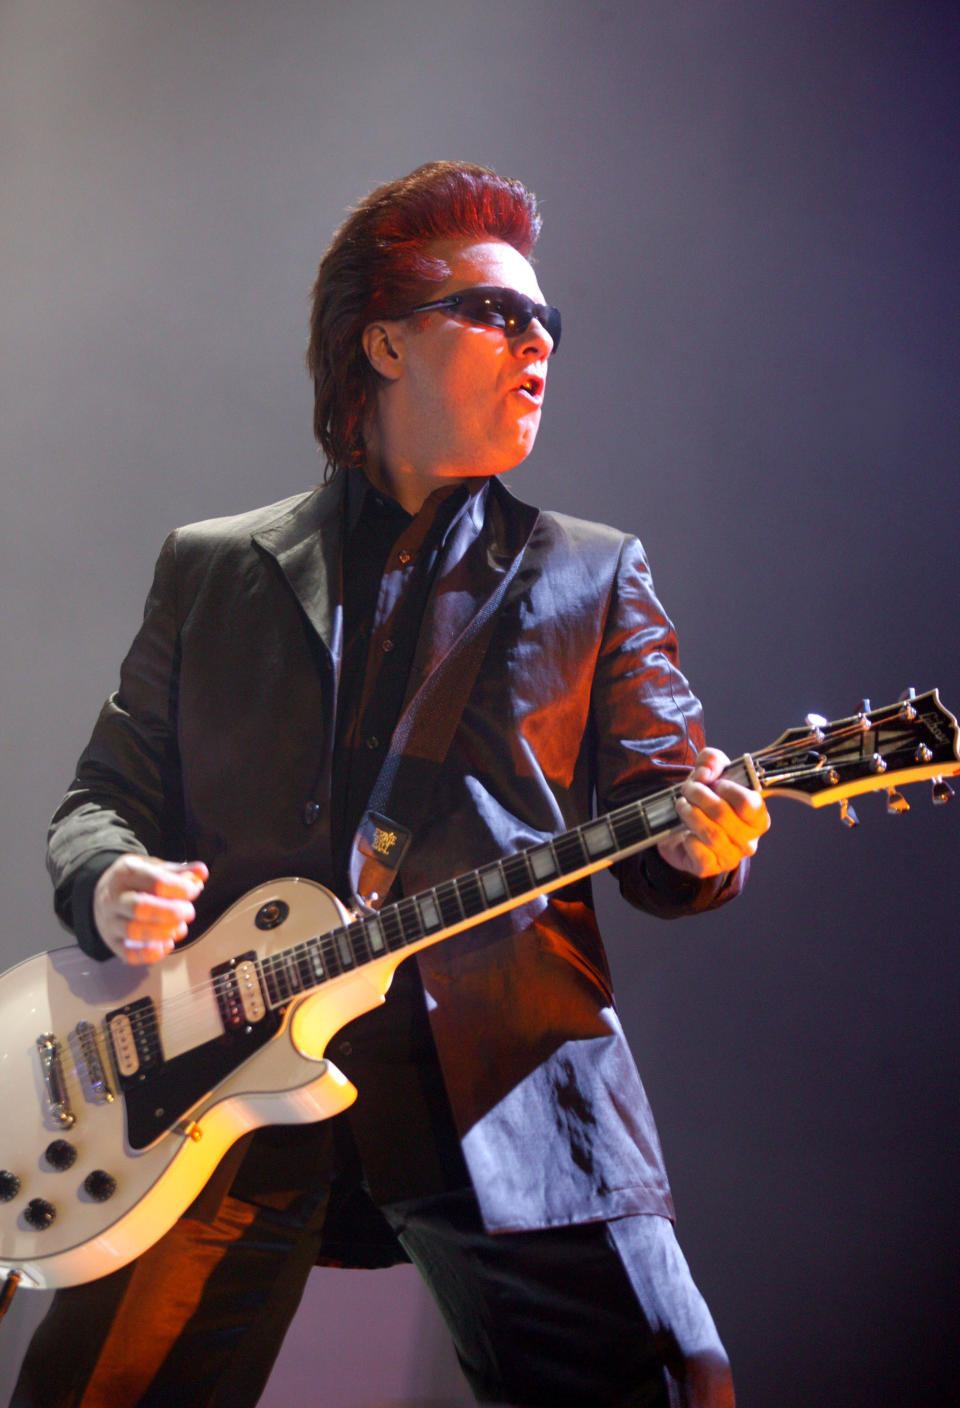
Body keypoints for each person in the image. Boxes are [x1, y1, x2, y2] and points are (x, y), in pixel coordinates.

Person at [13, 161, 769, 1408]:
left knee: (677, 1386)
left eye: (550, 324)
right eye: (499, 314)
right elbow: (101, 798)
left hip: (506, 1087)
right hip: (218, 1081)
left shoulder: (592, 574)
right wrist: (110, 886)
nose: (541, 341)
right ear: (384, 344)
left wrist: (705, 845)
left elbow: (669, 819)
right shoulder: (214, 569)